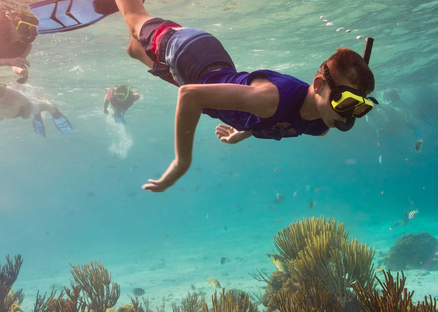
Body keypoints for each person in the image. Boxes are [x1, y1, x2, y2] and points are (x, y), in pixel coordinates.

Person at [89, 0, 375, 192]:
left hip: (198, 75)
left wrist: (241, 131)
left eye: (359, 107)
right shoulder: (271, 98)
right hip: (191, 53)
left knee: (138, 51)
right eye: (345, 101)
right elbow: (190, 96)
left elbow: (277, 121)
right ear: (318, 85)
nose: (348, 114)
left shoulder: (320, 125)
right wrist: (181, 164)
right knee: (135, 18)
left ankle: (132, 35)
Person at [0, 84, 73, 137]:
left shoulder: (12, 94)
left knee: (48, 107)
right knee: (35, 111)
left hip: (23, 110)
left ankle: (55, 112)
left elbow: (27, 105)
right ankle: (37, 113)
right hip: (11, 112)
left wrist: (26, 114)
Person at [0, 7, 39, 84]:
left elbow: (15, 64)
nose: (27, 33)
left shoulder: (26, 46)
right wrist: (8, 61)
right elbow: (10, 62)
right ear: (12, 24)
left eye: (33, 30)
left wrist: (22, 71)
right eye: (23, 27)